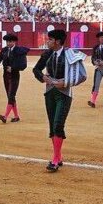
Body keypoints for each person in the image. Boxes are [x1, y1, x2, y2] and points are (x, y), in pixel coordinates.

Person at [32, 29, 85, 172]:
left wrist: (66, 82)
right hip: (49, 92)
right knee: (52, 125)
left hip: (64, 94)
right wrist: (43, 77)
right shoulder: (47, 54)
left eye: (50, 39)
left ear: (57, 41)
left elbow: (82, 75)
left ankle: (55, 160)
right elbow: (36, 69)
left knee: (57, 124)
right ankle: (58, 156)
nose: (47, 41)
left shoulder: (70, 54)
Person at [0, 33, 29, 123]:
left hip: (15, 76)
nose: (8, 43)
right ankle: (16, 116)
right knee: (10, 96)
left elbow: (23, 65)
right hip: (5, 76)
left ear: (14, 42)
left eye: (10, 41)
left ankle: (5, 116)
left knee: (11, 95)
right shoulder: (5, 50)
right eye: (7, 41)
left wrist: (13, 68)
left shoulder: (19, 51)